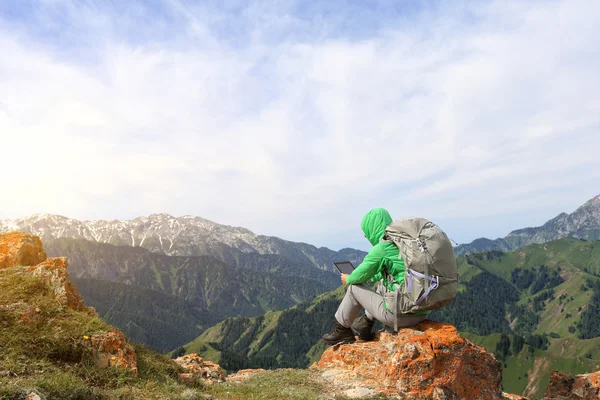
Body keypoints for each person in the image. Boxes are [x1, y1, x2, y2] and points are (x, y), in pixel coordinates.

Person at [322, 208, 430, 345]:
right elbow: (380, 273)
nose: (366, 237)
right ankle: (364, 325)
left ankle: (341, 330)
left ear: (372, 229)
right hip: (422, 312)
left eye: (366, 232)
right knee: (382, 282)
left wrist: (347, 279)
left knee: (353, 288)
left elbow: (359, 275)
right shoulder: (402, 243)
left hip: (400, 316)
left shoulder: (383, 247)